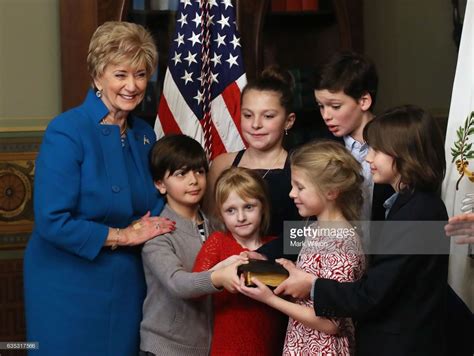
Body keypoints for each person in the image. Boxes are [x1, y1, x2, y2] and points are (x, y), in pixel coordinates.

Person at [23, 21, 175, 356]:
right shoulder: (66, 131)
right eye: (120, 74)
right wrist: (123, 236)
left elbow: (154, 208)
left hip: (127, 284)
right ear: (97, 76)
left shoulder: (145, 135)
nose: (132, 85)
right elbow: (52, 221)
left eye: (140, 74)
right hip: (66, 283)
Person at [274, 105, 450, 356]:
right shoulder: (404, 205)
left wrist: (311, 285)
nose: (368, 159)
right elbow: (291, 238)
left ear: (402, 154)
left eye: (376, 151)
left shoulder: (419, 213)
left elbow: (373, 294)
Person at [239, 140, 366, 355]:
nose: (291, 194)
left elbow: (331, 324)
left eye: (300, 187)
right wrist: (289, 271)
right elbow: (311, 285)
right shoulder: (315, 228)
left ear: (331, 192)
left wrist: (269, 299)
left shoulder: (343, 243)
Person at [140, 134, 247, 356]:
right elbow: (177, 283)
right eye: (181, 174)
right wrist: (218, 277)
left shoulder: (216, 226)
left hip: (209, 347)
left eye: (199, 171)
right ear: (160, 184)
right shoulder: (157, 233)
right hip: (165, 348)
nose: (193, 180)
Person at [205, 66, 300, 259]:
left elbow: (313, 231)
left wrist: (264, 254)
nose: (256, 124)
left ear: (288, 121)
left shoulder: (301, 168)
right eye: (248, 115)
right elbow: (210, 226)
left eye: (268, 116)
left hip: (287, 270)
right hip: (231, 267)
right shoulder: (222, 165)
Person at [194, 167, 288, 355]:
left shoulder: (277, 245)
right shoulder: (218, 242)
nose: (241, 217)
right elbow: (196, 287)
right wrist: (219, 273)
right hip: (228, 348)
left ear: (263, 207)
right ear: (220, 214)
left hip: (272, 346)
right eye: (231, 210)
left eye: (249, 207)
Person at [314, 50, 393, 222]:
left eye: (335, 106)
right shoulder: (321, 150)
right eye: (321, 106)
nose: (326, 115)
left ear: (364, 101)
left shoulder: (395, 144)